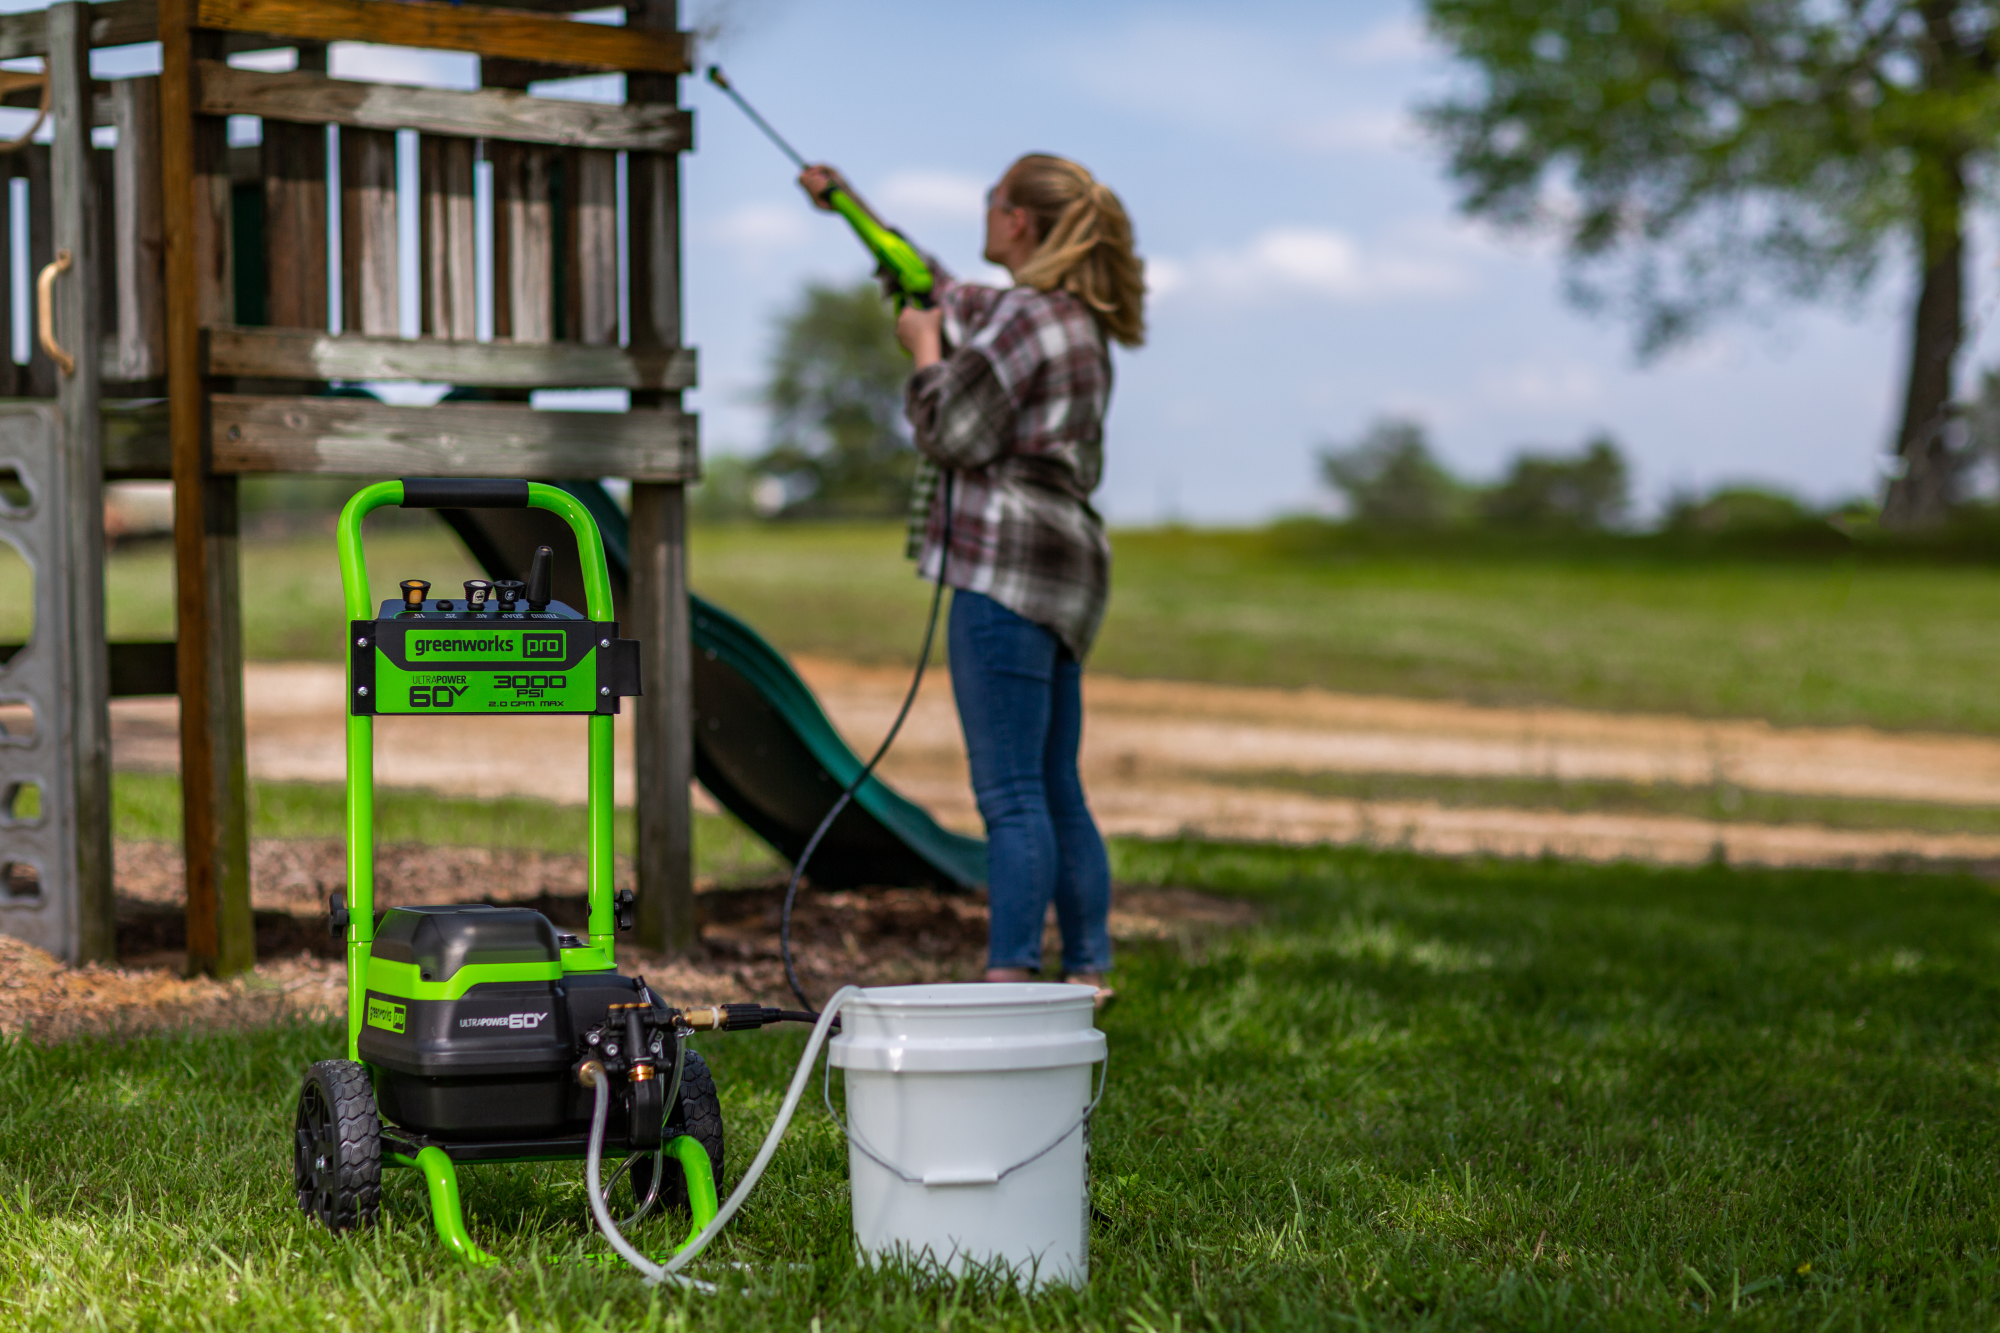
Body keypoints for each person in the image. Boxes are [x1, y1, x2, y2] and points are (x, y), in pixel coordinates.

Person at [798, 154, 1146, 1004]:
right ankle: (1089, 967)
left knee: (1010, 789)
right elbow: (933, 280)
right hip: (1065, 570)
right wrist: (850, 207)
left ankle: (1012, 973)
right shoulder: (1068, 316)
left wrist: (920, 353)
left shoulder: (1023, 318)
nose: (985, 216)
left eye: (993, 204)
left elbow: (950, 428)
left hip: (1004, 565)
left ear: (1018, 222)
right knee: (1056, 780)